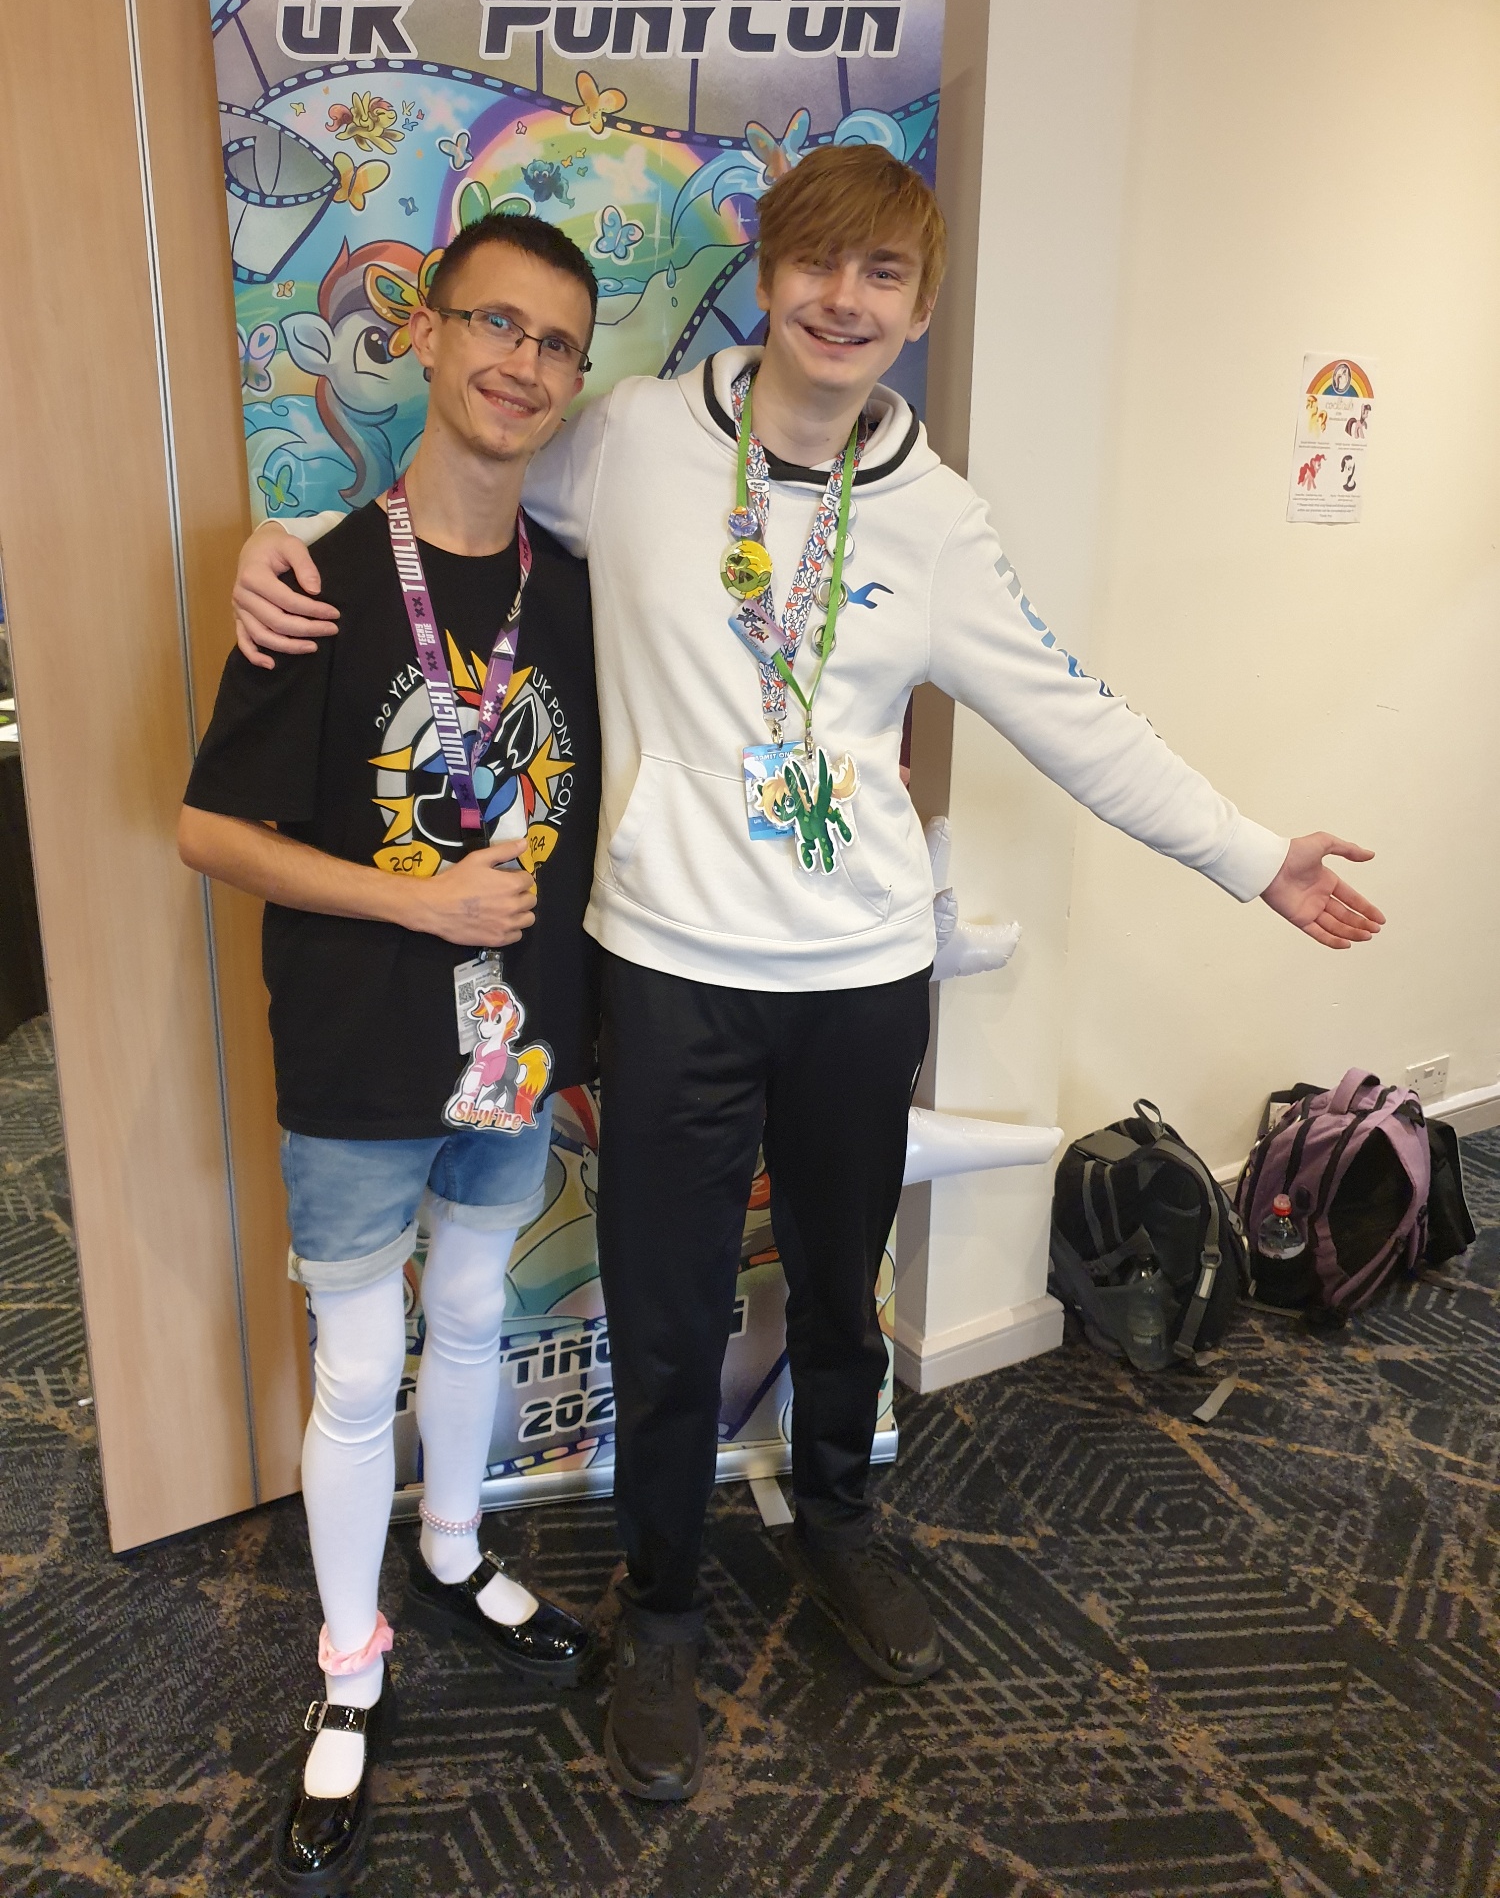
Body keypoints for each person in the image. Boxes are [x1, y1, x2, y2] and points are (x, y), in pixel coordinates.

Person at [232, 144, 1385, 1806]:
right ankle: (662, 1606)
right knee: (668, 1313)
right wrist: (275, 539)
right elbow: (455, 500)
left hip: (859, 976)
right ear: (769, 276)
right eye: (818, 266)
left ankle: (839, 1521)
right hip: (668, 973)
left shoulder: (940, 518)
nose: (846, 302)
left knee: (842, 1288)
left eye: (884, 278)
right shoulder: (634, 441)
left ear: (918, 310)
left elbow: (1076, 717)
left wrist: (1251, 852)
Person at [180, 214, 604, 1892]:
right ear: (425, 334)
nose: (522, 363)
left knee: (481, 1309)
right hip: (360, 1048)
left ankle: (452, 1547)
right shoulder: (319, 579)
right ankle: (349, 1666)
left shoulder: (576, 591)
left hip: (513, 1050)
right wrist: (415, 904)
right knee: (362, 1373)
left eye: (556, 343)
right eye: (495, 323)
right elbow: (210, 830)